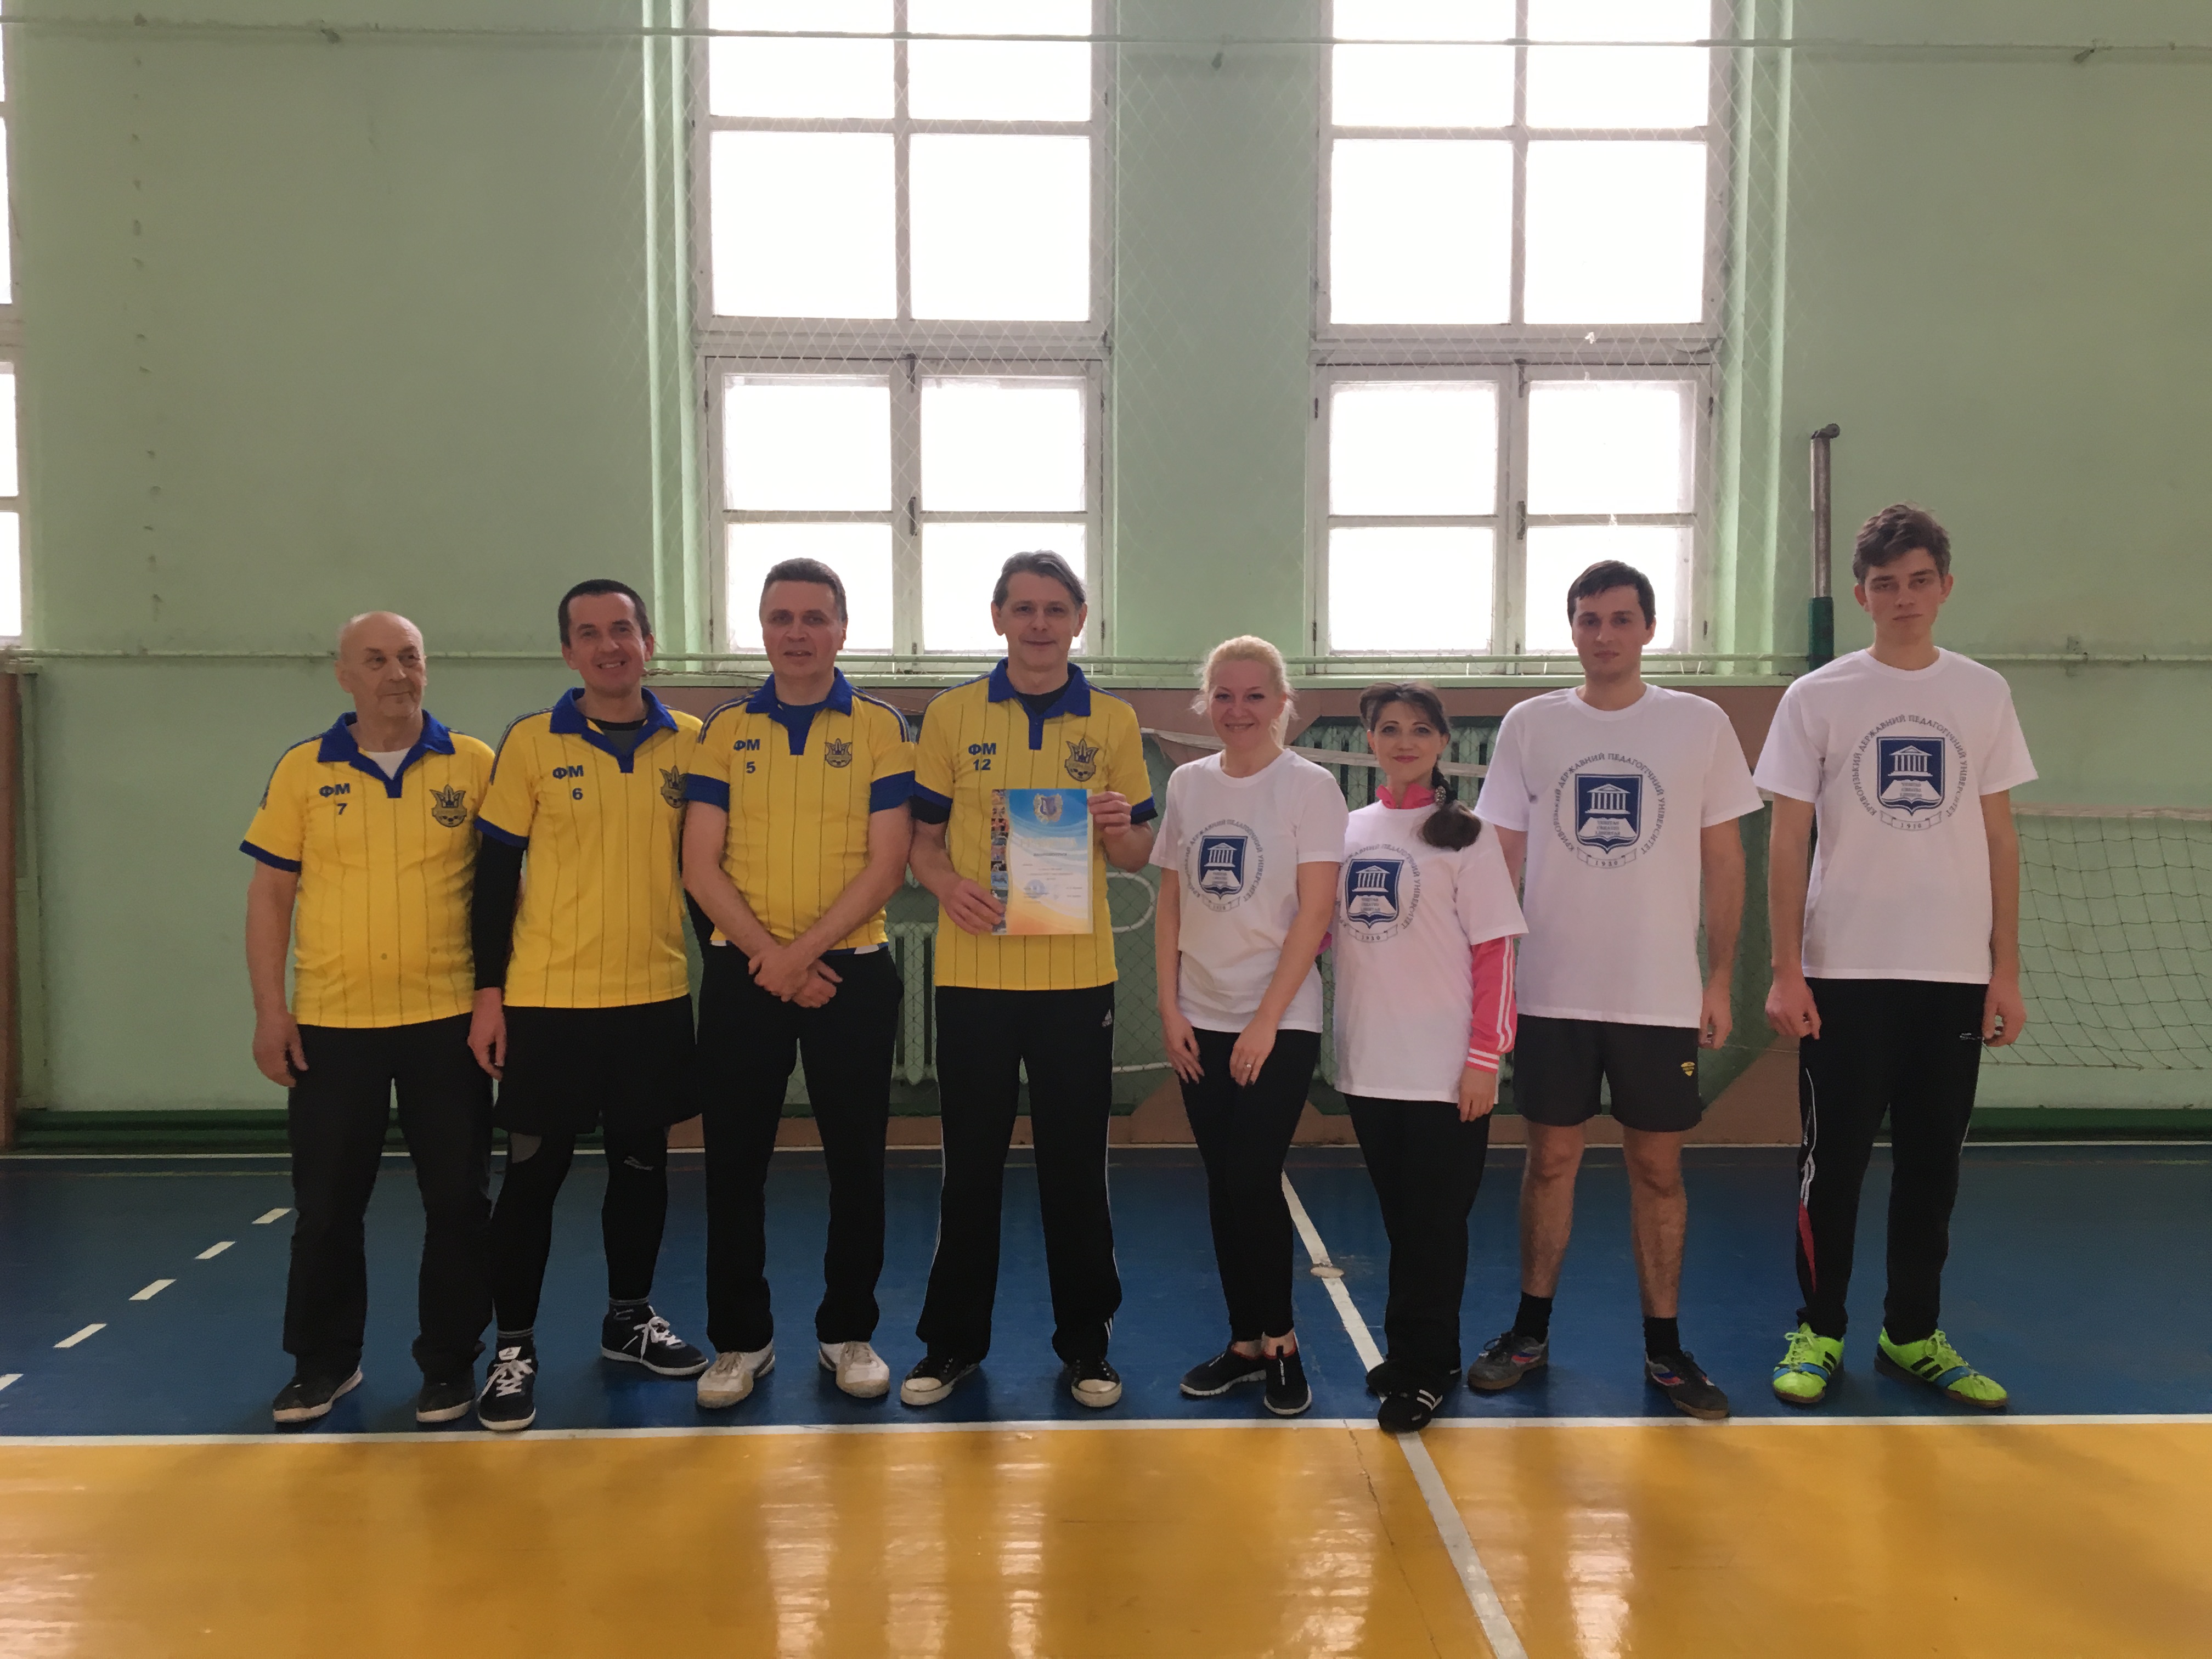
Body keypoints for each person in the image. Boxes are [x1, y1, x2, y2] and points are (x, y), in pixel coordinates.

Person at [1469, 561, 1761, 1420]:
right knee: (1550, 1160)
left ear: (1649, 629)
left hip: (1659, 998)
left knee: (1658, 1170)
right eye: (1589, 619)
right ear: (1572, 629)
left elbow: (1724, 860)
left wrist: (1719, 978)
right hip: (1551, 992)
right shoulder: (1531, 725)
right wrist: (1486, 980)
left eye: (1621, 619)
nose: (1605, 635)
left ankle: (1666, 1349)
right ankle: (1528, 1332)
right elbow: (1500, 858)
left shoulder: (1699, 724)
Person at [1759, 504, 2034, 1410]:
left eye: (1920, 581)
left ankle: (1912, 1333)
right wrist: (1787, 969)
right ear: (1861, 595)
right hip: (1844, 975)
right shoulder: (1818, 696)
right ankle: (1819, 1328)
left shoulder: (1982, 693)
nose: (1904, 597)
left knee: (1932, 1167)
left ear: (1945, 587)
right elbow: (1787, 840)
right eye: (1886, 584)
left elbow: (2001, 837)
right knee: (1831, 1165)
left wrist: (2004, 970)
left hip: (1953, 978)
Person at [901, 550, 1157, 1410]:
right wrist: (947, 887)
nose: (1040, 623)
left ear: (1079, 620)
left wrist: (1119, 828)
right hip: (974, 978)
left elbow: (1137, 852)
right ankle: (950, 1345)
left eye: (1055, 609)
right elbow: (921, 843)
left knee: (1074, 1170)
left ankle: (1087, 1347)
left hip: (1076, 982)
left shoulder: (1113, 721)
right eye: (1024, 608)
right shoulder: (951, 715)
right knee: (969, 1169)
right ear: (999, 618)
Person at [242, 612, 497, 1426]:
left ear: (428, 667)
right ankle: (324, 1364)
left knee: (457, 1203)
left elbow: (507, 893)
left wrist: (499, 1000)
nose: (396, 673)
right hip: (332, 1026)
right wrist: (271, 1011)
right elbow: (271, 895)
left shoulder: (475, 764)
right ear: (344, 674)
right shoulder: (303, 769)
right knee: (326, 1208)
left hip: (446, 1023)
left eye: (409, 657)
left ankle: (450, 1366)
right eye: (377, 659)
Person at [467, 579, 707, 1432]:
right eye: (590, 633)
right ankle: (514, 1349)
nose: (610, 646)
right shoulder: (530, 743)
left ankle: (629, 1318)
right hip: (548, 1004)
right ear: (568, 651)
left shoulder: (693, 743)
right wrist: (488, 994)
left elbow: (707, 874)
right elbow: (493, 878)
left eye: (623, 629)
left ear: (648, 643)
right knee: (533, 1178)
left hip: (652, 997)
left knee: (643, 1170)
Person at [682, 558, 915, 1408]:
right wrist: (772, 961)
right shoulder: (724, 729)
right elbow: (700, 864)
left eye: (815, 617)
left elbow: (887, 864)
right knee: (733, 1163)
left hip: (851, 974)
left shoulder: (883, 727)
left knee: (856, 1162)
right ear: (763, 629)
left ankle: (848, 1332)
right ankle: (739, 1341)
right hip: (744, 970)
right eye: (781, 617)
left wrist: (803, 955)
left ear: (842, 630)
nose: (797, 632)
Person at [1154, 637, 1345, 1418]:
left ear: (1281, 702)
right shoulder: (1188, 784)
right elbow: (1172, 900)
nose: (1238, 710)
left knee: (1250, 1179)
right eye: (1224, 695)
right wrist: (1170, 1008)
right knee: (1222, 1184)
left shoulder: (1311, 787)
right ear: (1207, 702)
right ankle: (1244, 1343)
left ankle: (1283, 1344)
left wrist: (1266, 1021)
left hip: (1279, 1020)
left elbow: (1315, 911)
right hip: (1198, 1017)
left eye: (1254, 695)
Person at [1334, 682, 1526, 1433]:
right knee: (1401, 1223)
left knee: (1435, 1228)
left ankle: (1430, 1367)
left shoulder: (1467, 836)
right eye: (1389, 728)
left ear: (1443, 741)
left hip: (1445, 1070)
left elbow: (1495, 951)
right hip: (1369, 1064)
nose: (1404, 740)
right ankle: (1410, 1351)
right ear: (1370, 741)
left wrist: (1485, 1058)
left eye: (1419, 729)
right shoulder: (1350, 829)